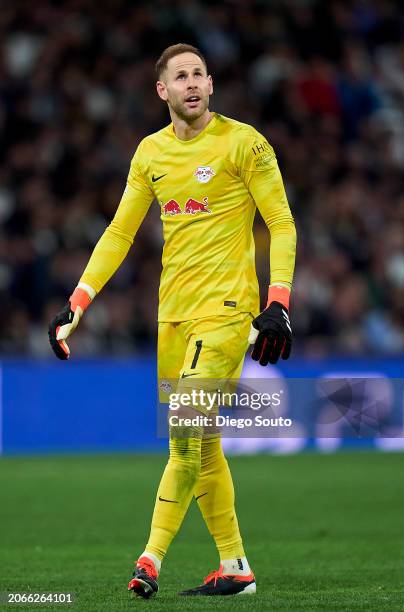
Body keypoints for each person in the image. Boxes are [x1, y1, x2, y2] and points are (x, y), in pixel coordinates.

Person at [48, 43, 296, 598]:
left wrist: (277, 300)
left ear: (211, 85)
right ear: (162, 90)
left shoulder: (244, 143)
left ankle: (149, 560)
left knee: (183, 438)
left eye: (198, 75)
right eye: (179, 76)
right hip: (174, 318)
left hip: (229, 313)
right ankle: (236, 569)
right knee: (202, 445)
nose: (190, 83)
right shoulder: (150, 154)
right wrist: (78, 301)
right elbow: (119, 232)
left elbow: (281, 222)